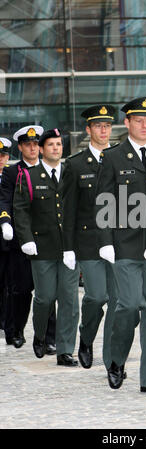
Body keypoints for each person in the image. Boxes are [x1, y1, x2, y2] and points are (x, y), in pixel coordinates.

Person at [96, 97, 146, 394]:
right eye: (139, 120)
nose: (144, 125)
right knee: (127, 305)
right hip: (125, 245)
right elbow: (102, 202)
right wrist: (105, 242)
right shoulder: (113, 157)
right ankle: (116, 360)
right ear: (126, 123)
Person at [13, 128, 79, 366]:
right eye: (51, 144)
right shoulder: (29, 176)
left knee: (70, 299)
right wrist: (26, 239)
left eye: (59, 144)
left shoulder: (71, 173)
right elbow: (20, 210)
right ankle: (40, 335)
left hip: (69, 248)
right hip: (42, 248)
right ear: (41, 149)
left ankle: (65, 350)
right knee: (45, 298)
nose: (56, 148)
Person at [62, 104, 118, 369]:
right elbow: (68, 210)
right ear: (88, 130)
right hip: (89, 242)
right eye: (98, 125)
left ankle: (112, 359)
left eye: (107, 125)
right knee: (97, 296)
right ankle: (86, 337)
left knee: (122, 302)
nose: (103, 130)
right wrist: (68, 248)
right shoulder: (74, 165)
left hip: (120, 242)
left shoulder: (122, 159)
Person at [0, 126, 56, 352]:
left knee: (48, 292)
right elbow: (5, 200)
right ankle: (15, 331)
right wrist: (5, 222)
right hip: (20, 242)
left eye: (35, 144)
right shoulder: (12, 173)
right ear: (21, 148)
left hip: (48, 241)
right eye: (27, 144)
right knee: (20, 291)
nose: (32, 147)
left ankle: (49, 338)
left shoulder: (50, 169)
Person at [0, 138, 11, 334]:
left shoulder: (12, 177)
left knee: (10, 284)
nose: (0, 159)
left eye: (2, 156)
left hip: (9, 239)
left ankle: (6, 322)